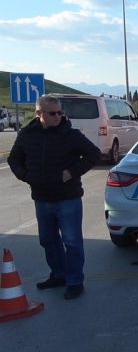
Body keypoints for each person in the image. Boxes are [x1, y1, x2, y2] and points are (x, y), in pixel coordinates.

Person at [8, 95, 101, 300]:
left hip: (67, 198)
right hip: (41, 198)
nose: (58, 116)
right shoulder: (27, 135)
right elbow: (14, 158)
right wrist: (26, 176)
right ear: (39, 114)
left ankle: (75, 281)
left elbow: (94, 154)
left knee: (72, 242)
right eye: (52, 113)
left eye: (60, 112)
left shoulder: (71, 135)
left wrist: (71, 172)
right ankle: (58, 275)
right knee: (48, 240)